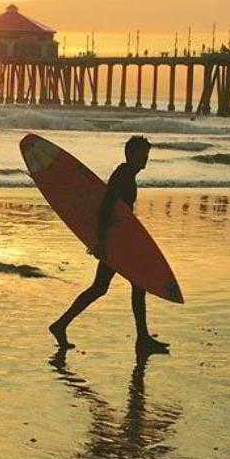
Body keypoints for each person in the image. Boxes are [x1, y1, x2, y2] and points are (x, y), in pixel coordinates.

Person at [49, 136, 170, 354]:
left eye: (147, 155)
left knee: (106, 287)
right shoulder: (123, 176)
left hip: (118, 239)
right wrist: (101, 242)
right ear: (131, 154)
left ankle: (61, 325)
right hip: (114, 242)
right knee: (123, 286)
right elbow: (105, 207)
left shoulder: (126, 175)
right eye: (143, 155)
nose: (146, 160)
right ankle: (141, 340)